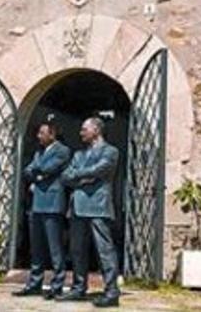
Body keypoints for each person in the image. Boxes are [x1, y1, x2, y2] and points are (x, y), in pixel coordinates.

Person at [59, 116, 120, 308]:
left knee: (104, 250)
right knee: (76, 250)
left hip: (98, 207)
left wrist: (79, 176)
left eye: (84, 129)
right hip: (77, 207)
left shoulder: (110, 151)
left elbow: (101, 169)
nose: (81, 132)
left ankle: (111, 291)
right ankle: (79, 287)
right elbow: (65, 176)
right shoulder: (78, 154)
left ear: (96, 130)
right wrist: (85, 177)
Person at [14, 122, 71, 299]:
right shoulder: (39, 153)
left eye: (41, 133)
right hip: (36, 204)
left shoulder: (62, 150)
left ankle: (57, 284)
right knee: (36, 248)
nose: (38, 136)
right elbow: (27, 171)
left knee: (54, 248)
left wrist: (37, 172)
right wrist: (39, 173)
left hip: (53, 204)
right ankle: (34, 283)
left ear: (52, 134)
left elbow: (48, 168)